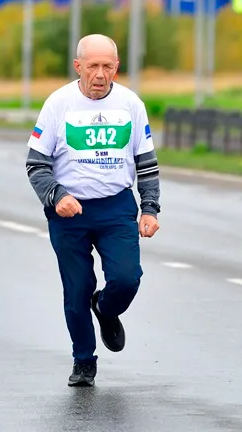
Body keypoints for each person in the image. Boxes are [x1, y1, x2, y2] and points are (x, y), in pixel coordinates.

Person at [25, 34, 162, 387]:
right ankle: (83, 360)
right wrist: (57, 196)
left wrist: (149, 208)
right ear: (78, 67)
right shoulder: (58, 104)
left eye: (108, 66)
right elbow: (36, 164)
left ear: (116, 67)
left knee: (127, 278)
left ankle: (106, 307)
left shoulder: (131, 104)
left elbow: (145, 163)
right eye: (93, 66)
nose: (100, 75)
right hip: (69, 212)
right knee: (77, 288)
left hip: (116, 207)